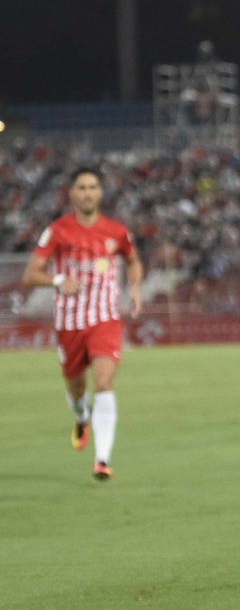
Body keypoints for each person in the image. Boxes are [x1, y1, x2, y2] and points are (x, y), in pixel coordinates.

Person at [22, 167, 143, 481]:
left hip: (105, 320)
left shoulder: (116, 231)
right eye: (82, 187)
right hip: (70, 322)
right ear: (72, 193)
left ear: (100, 192)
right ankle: (80, 417)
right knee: (76, 390)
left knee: (103, 383)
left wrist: (134, 288)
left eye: (93, 187)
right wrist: (58, 279)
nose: (88, 193)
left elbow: (132, 259)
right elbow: (30, 274)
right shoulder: (58, 231)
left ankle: (102, 459)